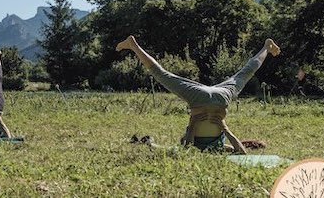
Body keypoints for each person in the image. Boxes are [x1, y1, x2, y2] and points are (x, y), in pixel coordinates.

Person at [116, 35, 280, 153]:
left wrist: (194, 127)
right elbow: (240, 151)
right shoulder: (220, 146)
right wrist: (225, 130)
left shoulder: (211, 144)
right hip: (211, 98)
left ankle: (266, 47)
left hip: (219, 97)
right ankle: (134, 46)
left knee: (245, 73)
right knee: (162, 75)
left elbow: (187, 146)